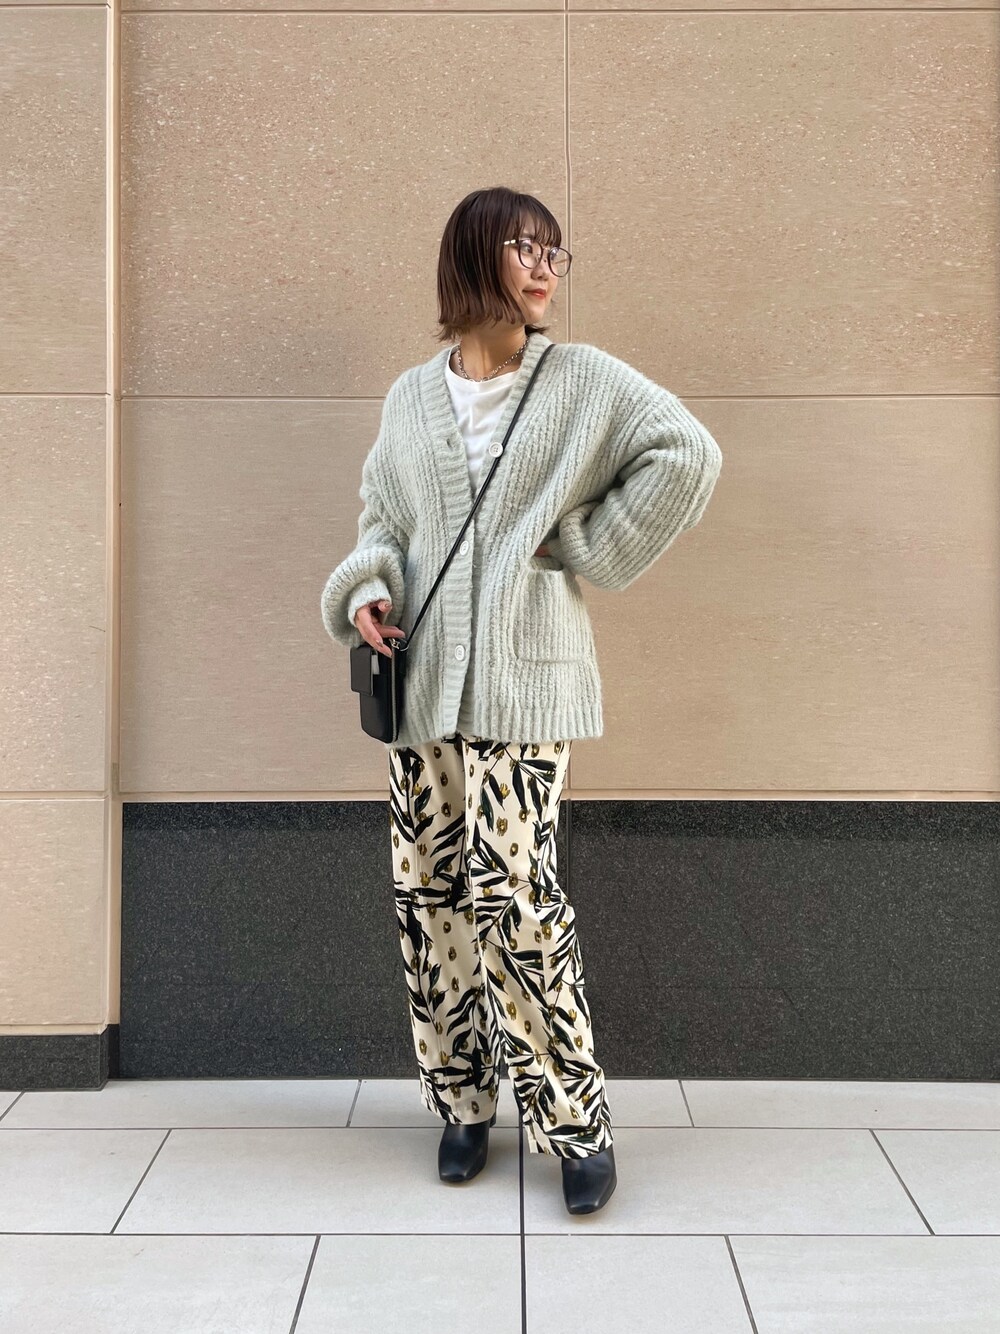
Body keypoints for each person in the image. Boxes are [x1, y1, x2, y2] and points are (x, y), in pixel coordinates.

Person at [320, 186, 723, 1216]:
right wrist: (364, 594)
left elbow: (688, 454)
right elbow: (382, 523)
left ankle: (574, 1121)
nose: (545, 268)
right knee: (431, 900)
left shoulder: (582, 380)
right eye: (522, 248)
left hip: (525, 683)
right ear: (472, 259)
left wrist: (586, 543)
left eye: (554, 252)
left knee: (516, 898)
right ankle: (462, 1103)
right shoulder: (410, 398)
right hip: (420, 685)